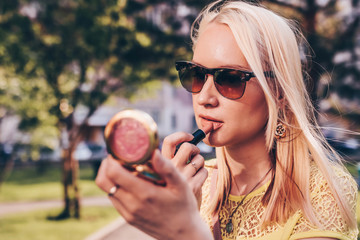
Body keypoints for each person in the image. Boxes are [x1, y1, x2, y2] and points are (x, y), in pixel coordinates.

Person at [96, 1, 358, 239]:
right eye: (195, 74)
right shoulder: (195, 184)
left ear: (277, 92)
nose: (204, 97)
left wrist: (183, 230)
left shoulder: (322, 193)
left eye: (230, 78)